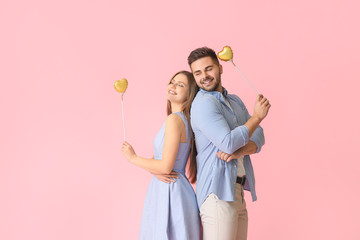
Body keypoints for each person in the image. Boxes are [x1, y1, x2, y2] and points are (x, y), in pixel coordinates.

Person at [188, 47, 271, 240]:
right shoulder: (203, 104)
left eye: (209, 69)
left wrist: (240, 149)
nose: (204, 76)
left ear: (220, 68)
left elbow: (259, 135)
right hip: (217, 193)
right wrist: (257, 116)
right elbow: (227, 143)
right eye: (197, 73)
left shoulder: (234, 101)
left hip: (238, 190)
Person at [121, 71, 201, 240]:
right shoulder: (184, 121)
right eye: (172, 81)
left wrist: (132, 158)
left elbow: (165, 166)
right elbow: (158, 162)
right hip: (175, 188)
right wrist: (154, 169)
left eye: (180, 85)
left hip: (169, 191)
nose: (173, 86)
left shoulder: (174, 120)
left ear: (190, 94)